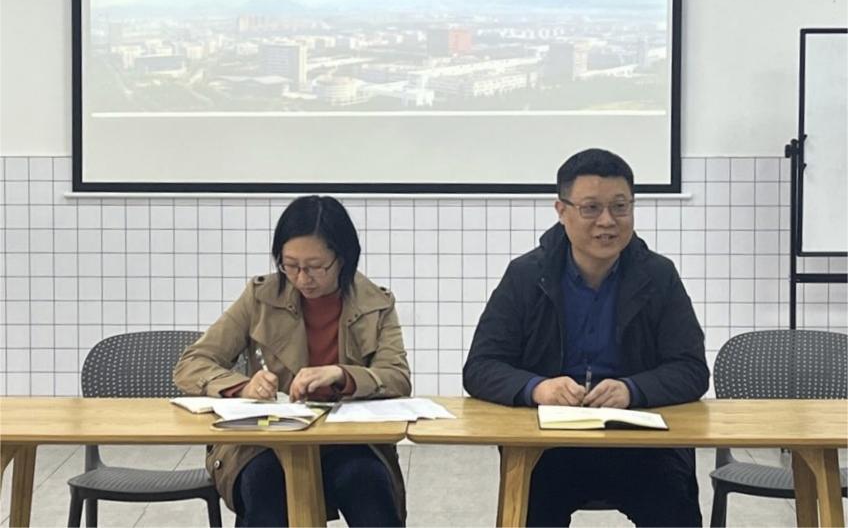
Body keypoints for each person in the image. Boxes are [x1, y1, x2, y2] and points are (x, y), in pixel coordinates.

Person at [463, 148, 709, 527]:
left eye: (620, 207)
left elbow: (691, 369)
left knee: (674, 506)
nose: (607, 222)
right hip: (550, 443)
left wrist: (632, 390)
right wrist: (537, 388)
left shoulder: (658, 276)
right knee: (529, 506)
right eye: (591, 208)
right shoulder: (527, 276)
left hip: (642, 443)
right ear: (561, 211)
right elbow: (481, 367)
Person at [174, 195, 410, 527]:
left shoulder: (375, 303)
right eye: (290, 265)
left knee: (368, 485)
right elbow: (194, 362)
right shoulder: (260, 297)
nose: (302, 278)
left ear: (343, 259)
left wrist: (342, 375)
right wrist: (242, 387)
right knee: (265, 486)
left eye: (315, 267)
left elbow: (397, 376)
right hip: (266, 441)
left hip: (350, 439)